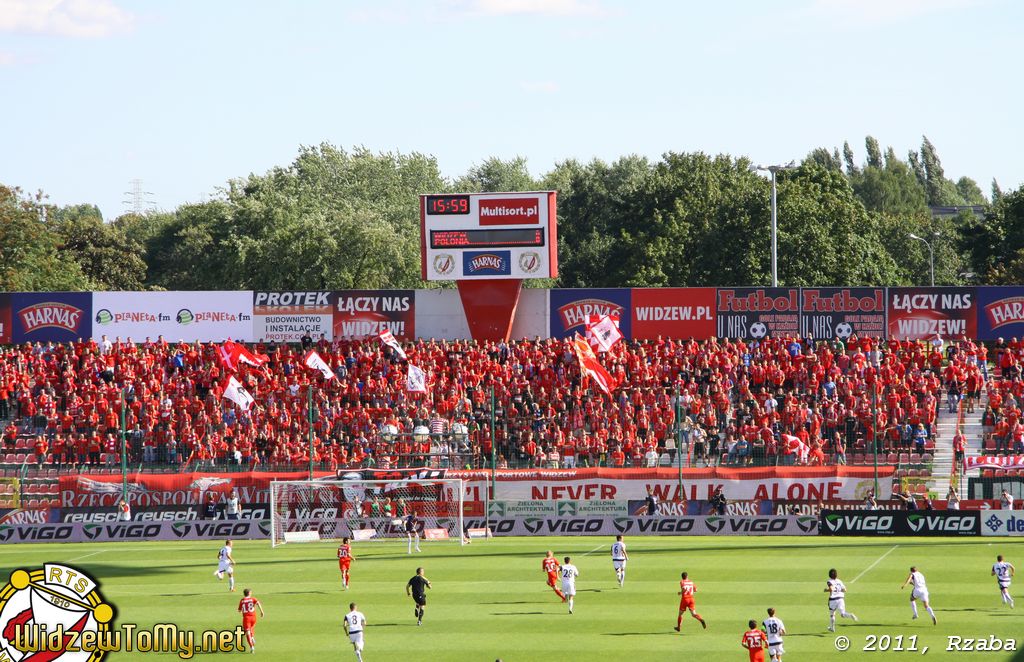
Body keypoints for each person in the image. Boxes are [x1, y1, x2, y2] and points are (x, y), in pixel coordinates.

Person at [237, 588, 264, 654]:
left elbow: (239, 610)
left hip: (246, 618)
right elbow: (258, 603)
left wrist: (241, 611)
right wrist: (262, 612)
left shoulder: (242, 600)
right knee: (251, 627)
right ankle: (252, 637)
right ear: (249, 593)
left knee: (247, 632)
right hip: (254, 617)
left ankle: (252, 647)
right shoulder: (253, 599)